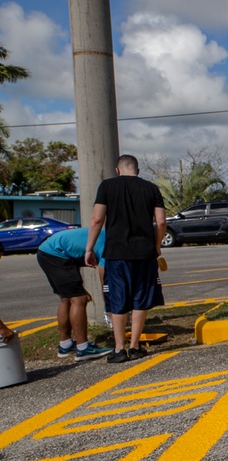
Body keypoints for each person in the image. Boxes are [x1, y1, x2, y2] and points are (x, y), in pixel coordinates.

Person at [85, 154, 166, 364]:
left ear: (117, 170)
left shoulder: (106, 186)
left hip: (117, 253)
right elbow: (161, 222)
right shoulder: (151, 189)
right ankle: (135, 346)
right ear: (138, 171)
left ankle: (119, 349)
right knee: (141, 299)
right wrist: (156, 247)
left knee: (117, 298)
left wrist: (89, 249)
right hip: (145, 253)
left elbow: (96, 219)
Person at [36, 227, 113, 361]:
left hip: (48, 252)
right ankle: (83, 349)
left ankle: (65, 345)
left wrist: (80, 286)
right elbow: (105, 279)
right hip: (56, 254)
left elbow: (74, 255)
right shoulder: (109, 243)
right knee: (79, 299)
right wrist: (109, 303)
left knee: (66, 299)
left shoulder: (104, 235)